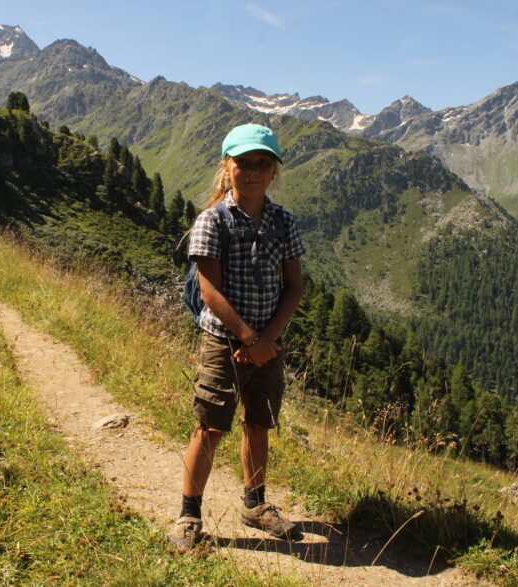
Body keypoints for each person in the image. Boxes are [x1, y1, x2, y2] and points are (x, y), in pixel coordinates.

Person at [169, 123, 305, 549]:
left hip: (267, 342)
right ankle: (188, 515)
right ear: (227, 167)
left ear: (274, 171)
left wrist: (268, 340)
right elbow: (209, 289)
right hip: (224, 341)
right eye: (243, 163)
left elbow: (295, 285)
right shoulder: (212, 221)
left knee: (259, 422)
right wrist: (249, 338)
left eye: (262, 163)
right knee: (210, 426)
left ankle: (255, 503)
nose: (252, 171)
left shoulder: (284, 222)